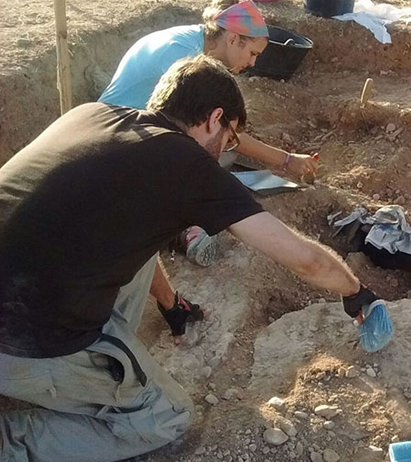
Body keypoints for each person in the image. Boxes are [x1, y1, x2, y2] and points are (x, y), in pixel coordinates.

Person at [0, 55, 385, 462]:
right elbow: (305, 260)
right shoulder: (187, 164)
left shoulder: (93, 114)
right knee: (167, 418)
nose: (225, 150)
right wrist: (355, 290)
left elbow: (133, 240)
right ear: (214, 118)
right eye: (230, 138)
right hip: (22, 336)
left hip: (22, 280)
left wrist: (171, 304)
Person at [99, 0, 320, 340]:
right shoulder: (184, 61)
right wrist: (286, 160)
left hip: (117, 128)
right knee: (208, 154)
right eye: (251, 52)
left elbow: (222, 130)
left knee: (219, 148)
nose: (252, 63)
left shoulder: (193, 42)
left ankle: (170, 286)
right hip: (121, 142)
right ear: (233, 38)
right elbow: (220, 132)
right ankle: (183, 228)